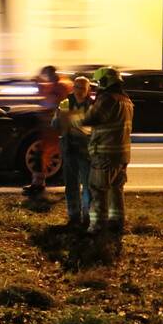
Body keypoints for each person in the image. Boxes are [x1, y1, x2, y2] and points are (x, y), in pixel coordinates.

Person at [79, 67, 134, 236]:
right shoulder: (126, 100)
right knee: (116, 190)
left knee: (98, 190)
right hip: (122, 154)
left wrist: (83, 110)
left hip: (105, 154)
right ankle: (117, 223)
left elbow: (90, 119)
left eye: (98, 83)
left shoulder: (107, 99)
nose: (97, 87)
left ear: (105, 82)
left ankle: (97, 227)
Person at [23, 65, 73, 195]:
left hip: (56, 125)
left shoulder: (61, 86)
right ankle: (38, 183)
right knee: (44, 155)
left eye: (46, 74)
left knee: (47, 155)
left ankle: (39, 184)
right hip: (51, 125)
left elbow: (55, 102)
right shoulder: (57, 84)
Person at [53, 76, 94, 229]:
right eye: (76, 87)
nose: (79, 90)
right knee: (71, 185)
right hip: (69, 148)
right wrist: (60, 117)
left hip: (85, 150)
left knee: (87, 185)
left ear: (88, 89)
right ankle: (74, 216)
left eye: (82, 88)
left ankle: (87, 216)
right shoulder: (65, 103)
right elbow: (55, 124)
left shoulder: (93, 105)